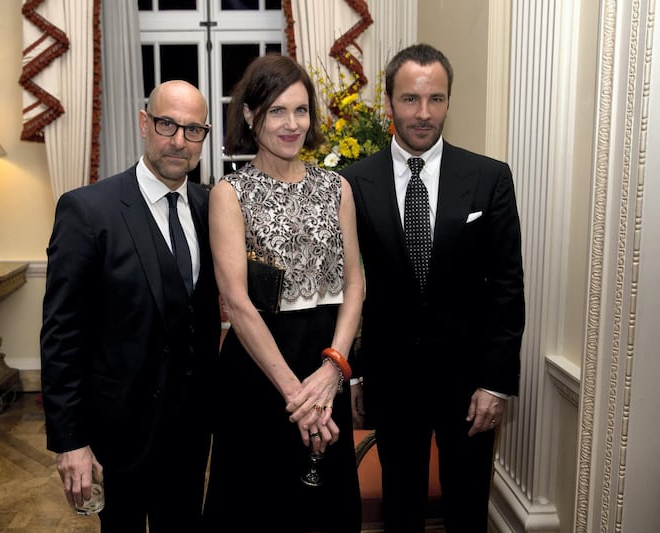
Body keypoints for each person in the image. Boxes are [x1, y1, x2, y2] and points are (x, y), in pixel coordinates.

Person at [340, 43, 525, 532]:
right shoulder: (352, 183)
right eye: (410, 100)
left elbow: (507, 286)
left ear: (447, 101)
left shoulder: (489, 178)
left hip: (470, 383)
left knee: (466, 507)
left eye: (436, 100)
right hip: (392, 377)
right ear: (388, 104)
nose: (424, 114)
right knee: (402, 505)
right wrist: (354, 375)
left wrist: (496, 383)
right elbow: (347, 287)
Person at [40, 80, 221, 533]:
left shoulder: (209, 205)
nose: (179, 141)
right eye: (167, 124)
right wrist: (71, 442)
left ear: (205, 136)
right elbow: (62, 335)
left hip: (192, 431)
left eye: (193, 129)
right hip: (117, 433)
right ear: (145, 124)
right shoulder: (88, 210)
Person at [202, 54, 364, 533]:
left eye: (300, 110)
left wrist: (333, 371)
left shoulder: (337, 188)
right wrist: (300, 399)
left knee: (324, 510)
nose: (291, 124)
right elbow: (237, 302)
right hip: (258, 374)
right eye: (276, 110)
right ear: (250, 116)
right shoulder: (229, 193)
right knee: (257, 509)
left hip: (325, 364)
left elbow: (355, 283)